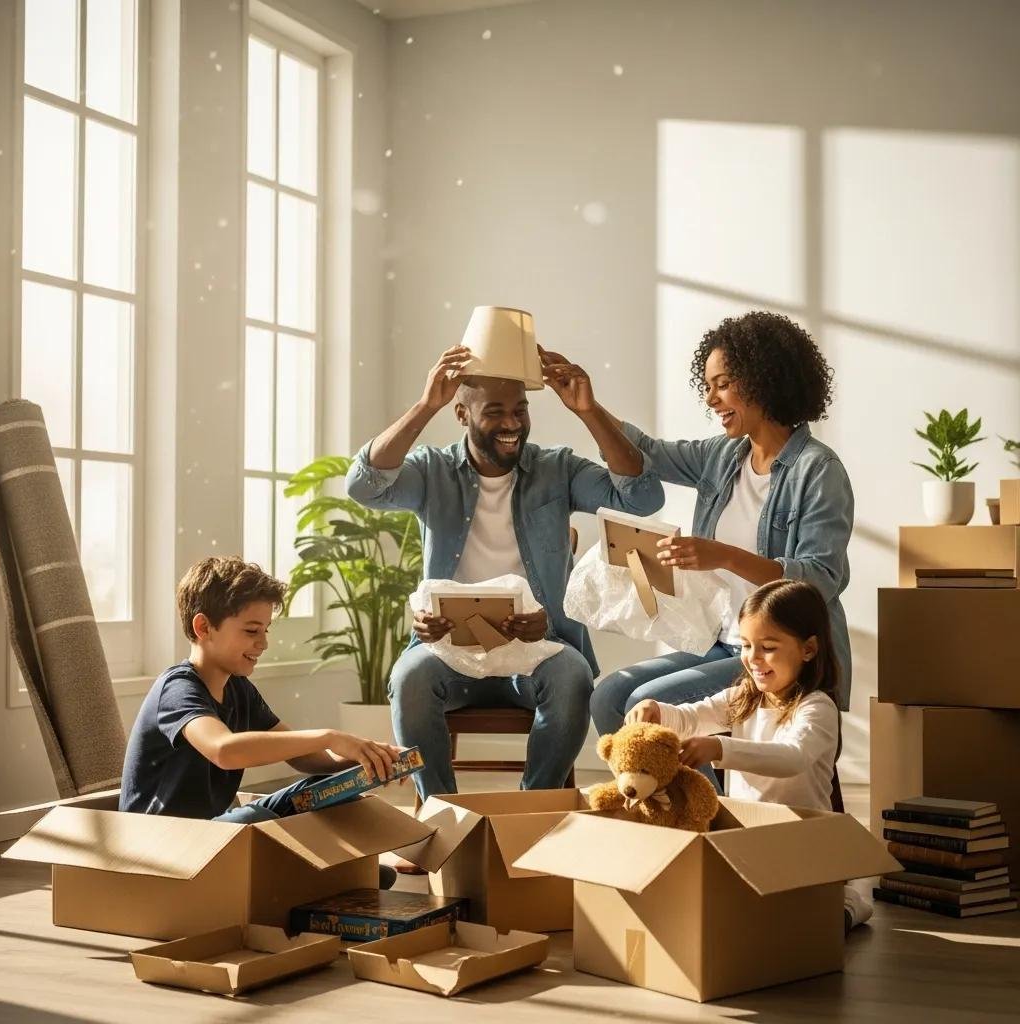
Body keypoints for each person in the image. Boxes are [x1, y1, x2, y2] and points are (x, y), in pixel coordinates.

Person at [345, 343, 664, 801]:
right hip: (447, 652)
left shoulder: (557, 468)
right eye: (495, 411)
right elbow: (363, 485)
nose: (512, 423)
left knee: (572, 677)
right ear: (461, 413)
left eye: (520, 409)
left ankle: (532, 810)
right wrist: (424, 406)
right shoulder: (432, 471)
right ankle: (443, 815)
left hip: (539, 648)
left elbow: (641, 499)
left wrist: (588, 411)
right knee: (408, 679)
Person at [580, 311, 854, 755]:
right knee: (609, 697)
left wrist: (723, 555)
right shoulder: (724, 456)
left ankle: (706, 804)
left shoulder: (818, 471)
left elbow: (819, 578)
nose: (711, 398)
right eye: (707, 385)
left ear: (763, 380)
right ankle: (681, 803)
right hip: (721, 643)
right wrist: (587, 410)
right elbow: (646, 452)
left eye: (722, 384)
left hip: (779, 658)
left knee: (642, 705)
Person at [119, 557, 405, 884]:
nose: (263, 643)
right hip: (165, 849)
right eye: (252, 631)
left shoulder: (239, 689)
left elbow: (306, 759)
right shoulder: (177, 690)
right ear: (203, 627)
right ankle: (330, 876)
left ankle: (336, 873)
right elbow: (224, 751)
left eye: (265, 630)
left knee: (318, 792)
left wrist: (367, 759)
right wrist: (329, 736)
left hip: (212, 833)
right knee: (252, 819)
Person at [626, 578, 870, 932]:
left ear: (809, 649)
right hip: (747, 839)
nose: (753, 659)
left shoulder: (816, 708)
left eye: (768, 647)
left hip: (800, 842)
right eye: (746, 645)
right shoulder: (744, 697)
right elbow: (692, 716)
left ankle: (851, 901)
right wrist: (656, 710)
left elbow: (791, 757)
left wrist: (719, 747)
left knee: (816, 916)